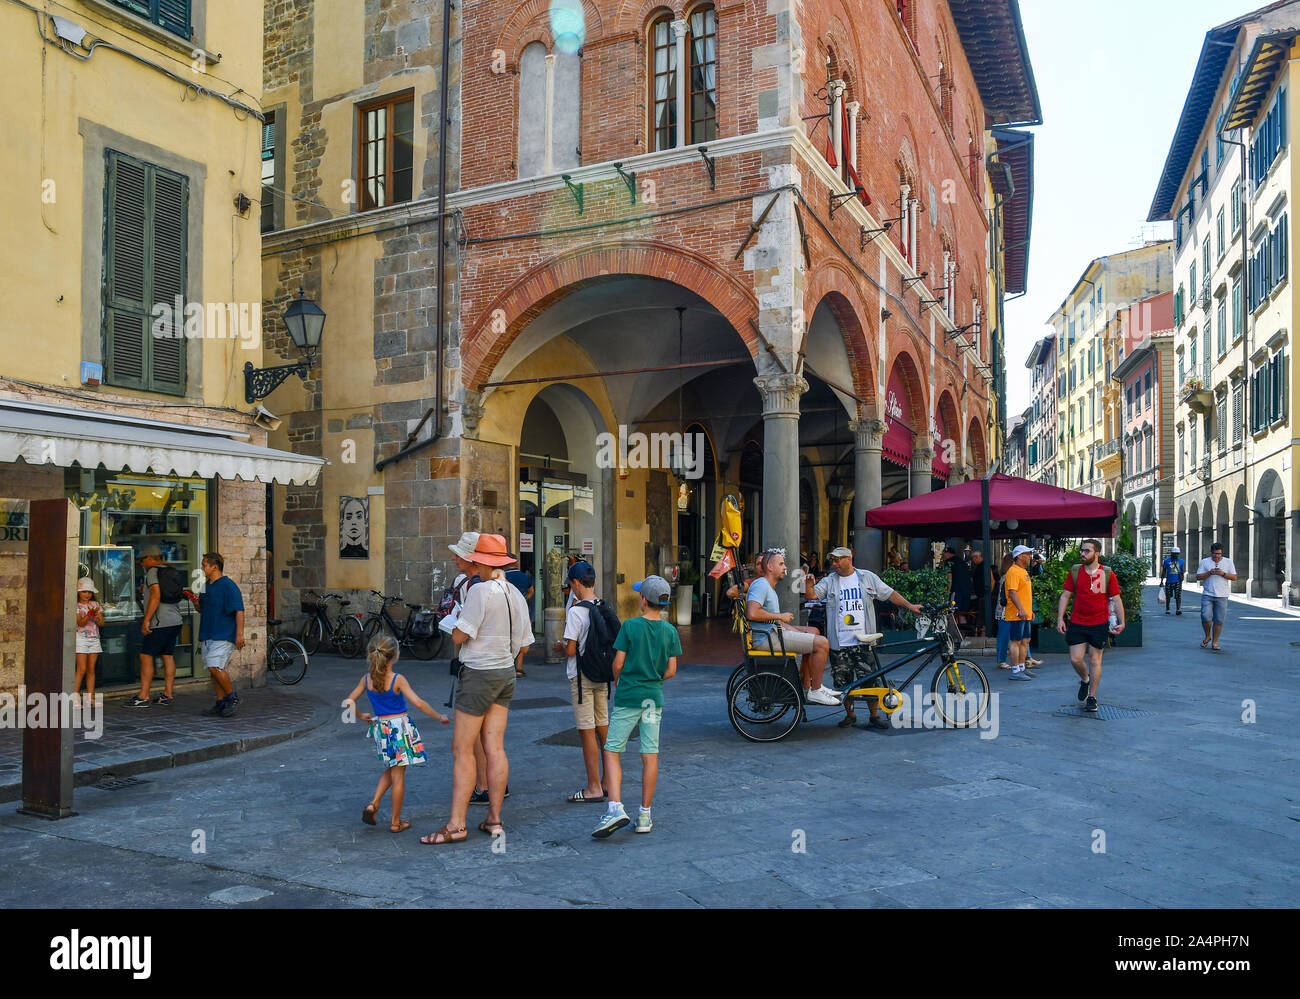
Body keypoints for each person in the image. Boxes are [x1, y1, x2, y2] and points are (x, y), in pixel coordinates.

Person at [422, 534, 532, 845]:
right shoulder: (516, 593)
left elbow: (459, 637)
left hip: (479, 674)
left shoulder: (480, 591)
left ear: (481, 561)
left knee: (463, 750)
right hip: (506, 673)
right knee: (495, 747)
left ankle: (456, 824)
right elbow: (525, 642)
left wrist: (455, 626)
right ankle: (494, 819)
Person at [592, 575, 680, 838]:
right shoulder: (670, 631)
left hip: (629, 696)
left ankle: (615, 807)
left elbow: (617, 663)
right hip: (654, 697)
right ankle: (644, 814)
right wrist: (652, 679)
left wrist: (621, 681)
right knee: (649, 754)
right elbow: (671, 670)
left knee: (612, 749)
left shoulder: (629, 627)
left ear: (643, 600)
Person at [805, 546, 923, 729]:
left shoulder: (867, 577)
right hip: (840, 643)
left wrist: (910, 606)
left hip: (863, 641)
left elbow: (889, 593)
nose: (834, 564)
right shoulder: (830, 581)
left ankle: (874, 716)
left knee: (870, 678)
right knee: (842, 681)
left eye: (837, 560)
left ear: (848, 559)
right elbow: (812, 595)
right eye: (832, 561)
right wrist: (808, 582)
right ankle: (850, 715)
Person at [346, 634, 448, 833]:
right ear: (395, 656)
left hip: (381, 728)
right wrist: (438, 716)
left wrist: (361, 715)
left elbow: (348, 702)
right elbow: (418, 703)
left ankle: (373, 804)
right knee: (399, 774)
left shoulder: (366, 679)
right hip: (399, 728)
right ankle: (395, 822)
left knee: (393, 768)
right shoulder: (397, 679)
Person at [445, 532, 506, 805]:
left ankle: (481, 786)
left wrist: (456, 625)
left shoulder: (476, 587)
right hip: (501, 668)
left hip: (480, 668)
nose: (454, 557)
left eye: (459, 553)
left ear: (474, 558)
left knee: (467, 744)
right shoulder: (502, 587)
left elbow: (464, 633)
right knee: (493, 741)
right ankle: (493, 790)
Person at [745, 550, 839, 705]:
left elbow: (772, 620)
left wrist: (796, 630)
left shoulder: (767, 586)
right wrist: (780, 616)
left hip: (772, 633)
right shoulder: (761, 585)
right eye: (781, 564)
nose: (785, 568)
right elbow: (752, 613)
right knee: (822, 643)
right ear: (769, 566)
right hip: (766, 638)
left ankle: (807, 684)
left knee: (814, 632)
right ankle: (816, 690)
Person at [555, 562, 609, 804]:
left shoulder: (576, 612)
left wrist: (560, 645)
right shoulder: (604, 606)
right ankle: (608, 780)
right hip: (602, 676)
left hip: (582, 677)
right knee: (604, 730)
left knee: (587, 732)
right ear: (594, 582)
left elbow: (570, 650)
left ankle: (593, 787)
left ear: (576, 583)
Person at [1056, 539, 1123, 713]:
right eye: (1082, 551)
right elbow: (1065, 595)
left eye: (1087, 551)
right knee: (1075, 659)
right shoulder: (1076, 571)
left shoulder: (1107, 573)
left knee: (1095, 660)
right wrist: (1060, 618)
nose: (1083, 554)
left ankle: (1092, 697)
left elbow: (1116, 598)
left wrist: (1122, 621)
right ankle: (1085, 680)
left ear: (1097, 553)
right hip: (1078, 621)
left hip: (1099, 623)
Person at [128, 545, 185, 708]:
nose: (141, 563)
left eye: (142, 560)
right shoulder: (169, 570)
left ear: (151, 558)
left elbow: (156, 595)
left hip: (159, 622)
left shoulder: (153, 571)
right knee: (167, 656)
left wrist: (147, 620)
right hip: (175, 620)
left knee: (146, 655)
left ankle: (143, 696)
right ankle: (167, 694)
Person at [189, 552, 245, 717]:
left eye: (204, 564)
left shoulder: (228, 585)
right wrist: (195, 602)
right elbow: (202, 609)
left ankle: (232, 697)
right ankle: (220, 702)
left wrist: (239, 634)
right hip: (208, 633)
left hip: (224, 633)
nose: (202, 568)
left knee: (215, 666)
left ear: (215, 567)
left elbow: (239, 610)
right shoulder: (206, 585)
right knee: (214, 669)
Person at [1196, 542, 1237, 652]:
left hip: (1222, 595)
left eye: (1219, 554)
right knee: (1205, 616)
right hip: (1208, 594)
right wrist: (1210, 573)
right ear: (1211, 553)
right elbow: (1198, 577)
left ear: (1222, 553)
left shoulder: (1228, 562)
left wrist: (1223, 574)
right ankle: (1207, 635)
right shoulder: (1205, 562)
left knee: (1219, 620)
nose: (1216, 556)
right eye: (1214, 554)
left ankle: (1214, 642)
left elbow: (1234, 577)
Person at [1003, 545, 1036, 680]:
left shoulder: (1023, 571)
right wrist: (1021, 609)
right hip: (1017, 613)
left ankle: (1022, 668)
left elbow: (1023, 593)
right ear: (1020, 556)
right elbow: (1012, 592)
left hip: (1025, 612)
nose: (1030, 557)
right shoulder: (1013, 571)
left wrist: (1029, 610)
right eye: (1027, 554)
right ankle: (1016, 671)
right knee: (1016, 641)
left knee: (1025, 640)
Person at [74, 577, 105, 701]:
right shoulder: (76, 605)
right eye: (84, 591)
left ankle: (90, 697)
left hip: (94, 639)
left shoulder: (95, 604)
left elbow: (102, 623)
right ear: (78, 592)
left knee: (91, 669)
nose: (87, 594)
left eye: (89, 592)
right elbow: (80, 623)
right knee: (81, 669)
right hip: (80, 638)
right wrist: (89, 614)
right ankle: (75, 696)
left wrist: (97, 616)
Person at [504, 567, 534, 676]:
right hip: (522, 609)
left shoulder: (503, 576)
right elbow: (531, 591)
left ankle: (509, 664)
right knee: (521, 636)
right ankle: (519, 667)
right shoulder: (525, 576)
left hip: (507, 609)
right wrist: (523, 599)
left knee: (507, 635)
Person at [1160, 546, 1185, 615]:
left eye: (1177, 553)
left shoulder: (1181, 561)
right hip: (1169, 581)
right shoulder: (1166, 561)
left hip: (1177, 581)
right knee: (1168, 596)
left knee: (1178, 596)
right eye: (1175, 553)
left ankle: (1178, 609)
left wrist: (1182, 578)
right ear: (1171, 553)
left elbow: (1182, 570)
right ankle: (1167, 609)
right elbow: (1164, 571)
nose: (1176, 555)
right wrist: (1161, 581)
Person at [969, 549, 987, 636]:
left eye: (972, 559)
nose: (972, 561)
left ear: (976, 557)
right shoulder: (982, 566)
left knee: (982, 616)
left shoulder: (983, 566)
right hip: (981, 595)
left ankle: (982, 631)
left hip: (983, 595)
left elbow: (991, 580)